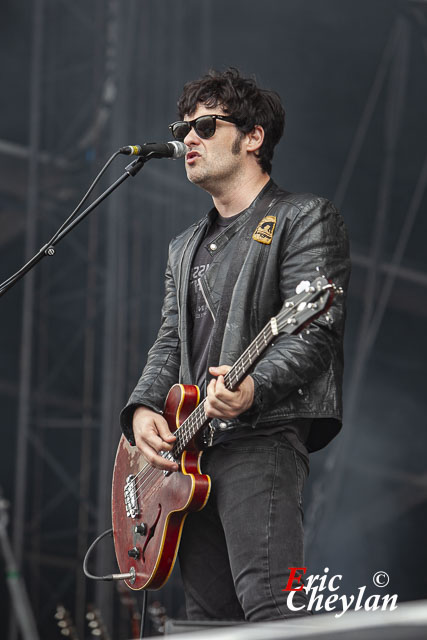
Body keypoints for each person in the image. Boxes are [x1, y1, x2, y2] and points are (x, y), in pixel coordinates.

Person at [120, 68, 350, 622]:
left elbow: (315, 332)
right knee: (206, 622)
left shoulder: (303, 217)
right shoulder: (184, 246)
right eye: (183, 126)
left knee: (273, 606)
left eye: (203, 125)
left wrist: (254, 387)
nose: (187, 139)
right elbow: (169, 340)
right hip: (189, 454)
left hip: (262, 438)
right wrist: (144, 407)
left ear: (253, 138)